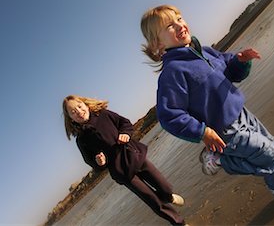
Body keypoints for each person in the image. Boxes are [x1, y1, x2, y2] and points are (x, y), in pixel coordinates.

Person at [140, 4, 274, 198]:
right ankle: (225, 161)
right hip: (224, 131)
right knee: (270, 154)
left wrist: (240, 61)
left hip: (242, 114)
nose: (179, 25)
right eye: (169, 26)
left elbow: (229, 71)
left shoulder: (205, 51)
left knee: (272, 145)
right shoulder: (173, 72)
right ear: (157, 44)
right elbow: (169, 115)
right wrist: (202, 132)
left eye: (179, 19)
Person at [62, 95, 188, 225]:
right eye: (73, 112)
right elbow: (91, 162)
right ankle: (180, 224)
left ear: (86, 104)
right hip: (123, 173)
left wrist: (125, 134)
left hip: (135, 156)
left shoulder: (104, 115)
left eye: (79, 106)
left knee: (165, 188)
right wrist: (99, 162)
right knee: (155, 202)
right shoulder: (81, 140)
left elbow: (125, 123)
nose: (78, 111)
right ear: (70, 119)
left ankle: (169, 196)